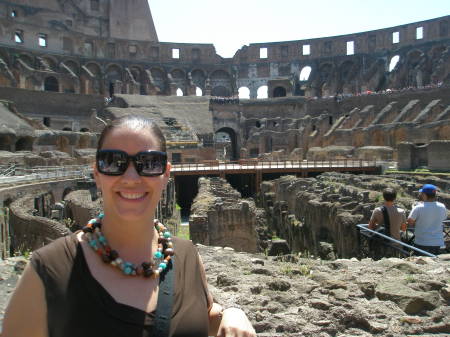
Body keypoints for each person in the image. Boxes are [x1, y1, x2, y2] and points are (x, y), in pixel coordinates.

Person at [3, 115, 256, 337]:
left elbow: (202, 317)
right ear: (97, 173)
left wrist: (232, 313)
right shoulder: (48, 270)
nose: (132, 178)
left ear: (166, 174)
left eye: (149, 163)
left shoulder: (186, 256)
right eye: (113, 162)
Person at [407, 184, 448, 255]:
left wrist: (413, 208)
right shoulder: (442, 206)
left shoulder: (418, 207)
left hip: (422, 242)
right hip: (437, 242)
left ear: (424, 195)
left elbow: (410, 222)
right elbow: (443, 218)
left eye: (422, 193)